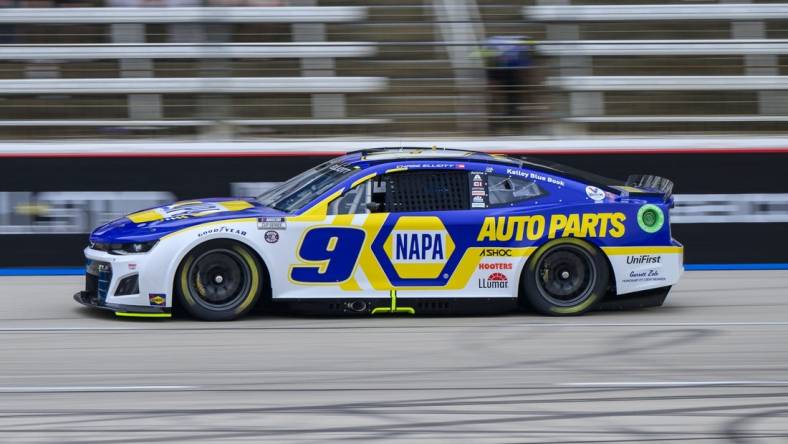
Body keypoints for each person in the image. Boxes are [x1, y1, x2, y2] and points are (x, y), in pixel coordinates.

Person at [479, 35, 534, 132]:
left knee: (510, 103)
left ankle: (512, 125)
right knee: (503, 103)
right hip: (504, 79)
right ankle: (504, 125)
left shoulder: (515, 56)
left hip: (509, 80)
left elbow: (521, 75)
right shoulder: (505, 53)